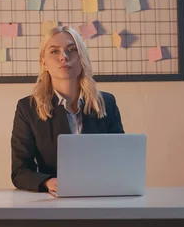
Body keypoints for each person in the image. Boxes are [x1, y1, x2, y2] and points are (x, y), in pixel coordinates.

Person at [10, 26, 125, 193]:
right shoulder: (27, 108)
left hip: (102, 194)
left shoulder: (106, 103)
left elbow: (120, 158)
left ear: (82, 58)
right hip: (53, 202)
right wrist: (47, 182)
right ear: (44, 62)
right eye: (54, 52)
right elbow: (19, 171)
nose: (63, 57)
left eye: (72, 50)